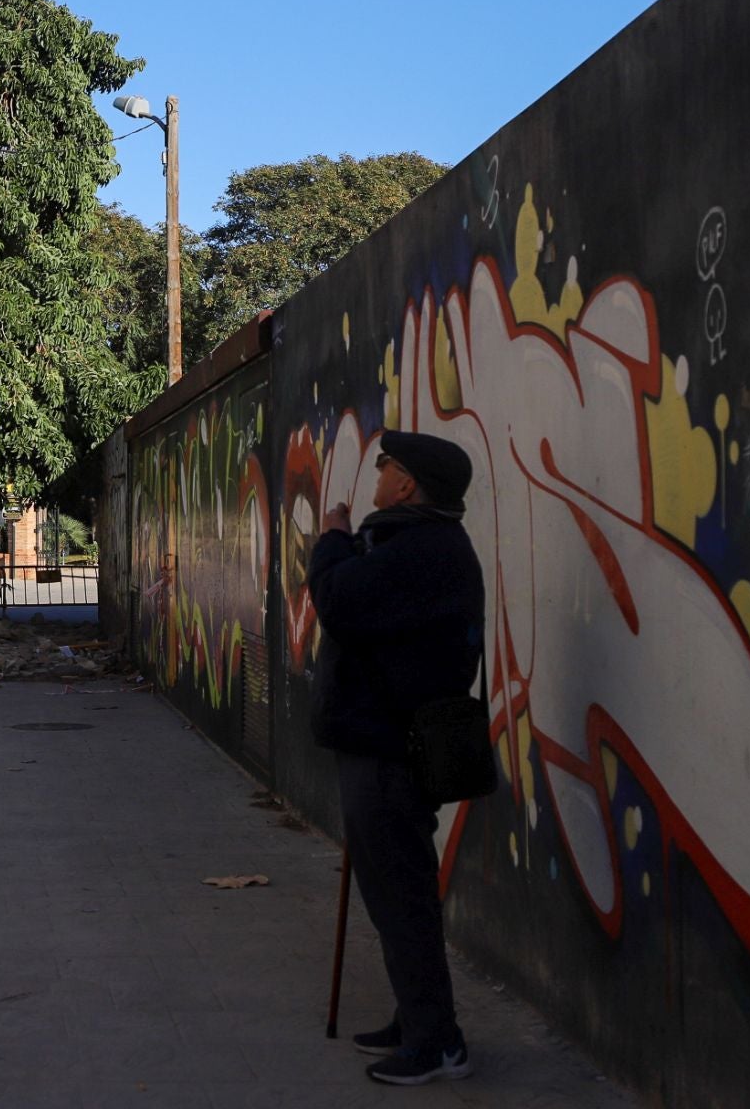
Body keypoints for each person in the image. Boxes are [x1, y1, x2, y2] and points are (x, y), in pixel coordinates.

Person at [309, 429, 484, 1086]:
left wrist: (330, 538)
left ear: (406, 483)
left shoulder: (424, 548)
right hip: (382, 742)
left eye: (385, 465)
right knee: (390, 894)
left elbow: (337, 600)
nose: (377, 473)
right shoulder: (414, 540)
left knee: (402, 895)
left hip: (391, 749)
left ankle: (437, 1043)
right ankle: (417, 1018)